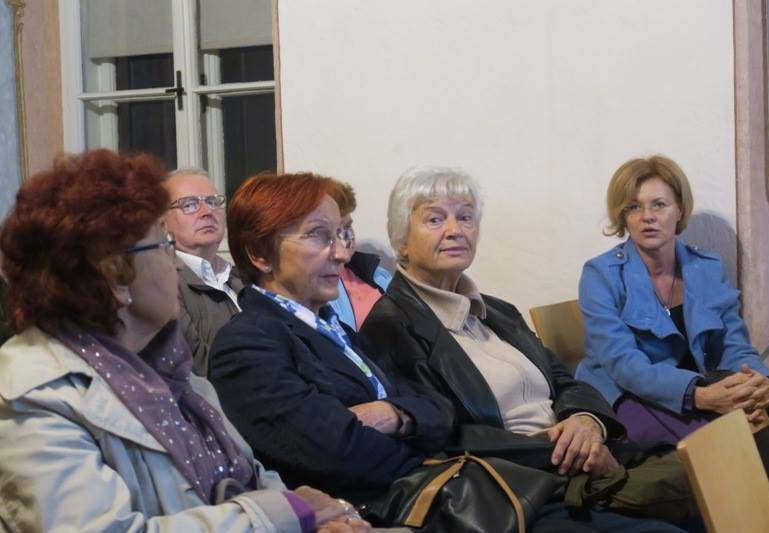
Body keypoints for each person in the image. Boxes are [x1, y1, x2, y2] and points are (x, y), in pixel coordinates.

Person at [0, 150, 370, 533]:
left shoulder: (173, 374)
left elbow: (253, 480)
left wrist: (314, 521)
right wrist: (284, 514)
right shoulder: (36, 395)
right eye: (163, 245)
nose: (176, 263)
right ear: (115, 274)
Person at [360, 166, 685, 532]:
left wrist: (587, 421)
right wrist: (570, 452)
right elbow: (444, 435)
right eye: (435, 219)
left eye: (465, 217)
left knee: (712, 474)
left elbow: (563, 379)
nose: (455, 230)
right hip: (522, 488)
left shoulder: (497, 311)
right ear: (402, 240)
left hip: (576, 465)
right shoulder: (390, 327)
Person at [576, 154, 769, 528]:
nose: (647, 217)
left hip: (694, 388)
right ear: (623, 216)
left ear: (679, 209)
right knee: (732, 438)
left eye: (659, 205)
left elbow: (733, 344)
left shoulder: (705, 267)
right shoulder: (600, 274)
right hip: (627, 395)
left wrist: (760, 382)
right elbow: (624, 366)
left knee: (751, 411)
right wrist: (700, 396)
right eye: (634, 207)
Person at [207, 172, 453, 506]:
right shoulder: (246, 343)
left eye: (341, 234)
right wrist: (422, 449)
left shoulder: (334, 329)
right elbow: (338, 453)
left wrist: (393, 415)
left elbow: (438, 407)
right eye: (319, 235)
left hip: (416, 491)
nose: (342, 254)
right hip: (366, 512)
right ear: (260, 254)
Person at [164, 168, 243, 376]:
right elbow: (197, 366)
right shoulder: (165, 284)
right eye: (189, 205)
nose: (207, 211)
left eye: (212, 202)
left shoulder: (242, 276)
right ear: (163, 222)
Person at [327, 181, 392, 331]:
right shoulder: (316, 284)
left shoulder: (378, 276)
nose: (344, 237)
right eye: (332, 230)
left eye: (347, 226)